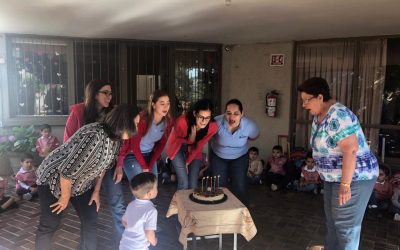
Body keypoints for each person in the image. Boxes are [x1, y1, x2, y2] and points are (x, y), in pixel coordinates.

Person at [35, 104, 139, 250]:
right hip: (53, 178)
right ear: (124, 122)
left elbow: (103, 167)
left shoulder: (116, 140)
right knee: (50, 223)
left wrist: (96, 191)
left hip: (80, 182)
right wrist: (65, 198)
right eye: (135, 124)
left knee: (90, 218)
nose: (137, 129)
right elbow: (66, 171)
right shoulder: (95, 136)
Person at [298, 77, 379, 250]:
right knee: (333, 223)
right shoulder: (319, 114)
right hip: (333, 178)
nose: (304, 105)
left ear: (320, 97)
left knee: (345, 227)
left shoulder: (338, 114)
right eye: (302, 100)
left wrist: (345, 184)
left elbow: (350, 150)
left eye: (307, 100)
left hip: (353, 178)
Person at [63, 79, 126, 242]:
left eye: (111, 93)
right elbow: (67, 142)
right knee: (90, 208)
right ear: (94, 94)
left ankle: (125, 240)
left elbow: (120, 142)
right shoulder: (78, 112)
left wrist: (119, 165)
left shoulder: (113, 113)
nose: (109, 97)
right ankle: (88, 243)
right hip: (86, 169)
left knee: (117, 203)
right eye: (105, 93)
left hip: (108, 166)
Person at [210, 99, 259, 206]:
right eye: (228, 113)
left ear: (242, 114)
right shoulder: (216, 122)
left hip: (240, 157)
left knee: (240, 185)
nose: (232, 117)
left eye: (236, 114)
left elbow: (254, 136)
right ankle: (219, 210)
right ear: (224, 113)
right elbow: (208, 137)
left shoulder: (249, 125)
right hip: (218, 156)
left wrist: (239, 141)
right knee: (219, 185)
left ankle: (242, 213)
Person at [117, 90, 174, 183]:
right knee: (141, 189)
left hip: (150, 155)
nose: (166, 107)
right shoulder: (142, 120)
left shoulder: (168, 121)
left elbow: (161, 145)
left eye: (168, 103)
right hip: (133, 155)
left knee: (153, 188)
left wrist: (150, 164)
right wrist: (144, 166)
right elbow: (134, 146)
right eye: (162, 103)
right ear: (153, 105)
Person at [166, 98, 217, 190]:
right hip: (176, 148)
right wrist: (190, 141)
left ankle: (190, 204)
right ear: (194, 113)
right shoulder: (182, 122)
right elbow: (176, 139)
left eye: (207, 118)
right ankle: (180, 204)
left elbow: (200, 145)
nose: (203, 121)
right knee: (184, 182)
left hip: (194, 150)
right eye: (200, 117)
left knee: (193, 185)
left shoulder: (212, 127)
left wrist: (188, 161)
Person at [119, 172, 158, 250]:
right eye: (156, 187)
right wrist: (154, 241)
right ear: (150, 194)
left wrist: (133, 228)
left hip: (124, 245)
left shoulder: (131, 205)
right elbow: (149, 232)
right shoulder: (151, 211)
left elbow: (123, 221)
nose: (157, 189)